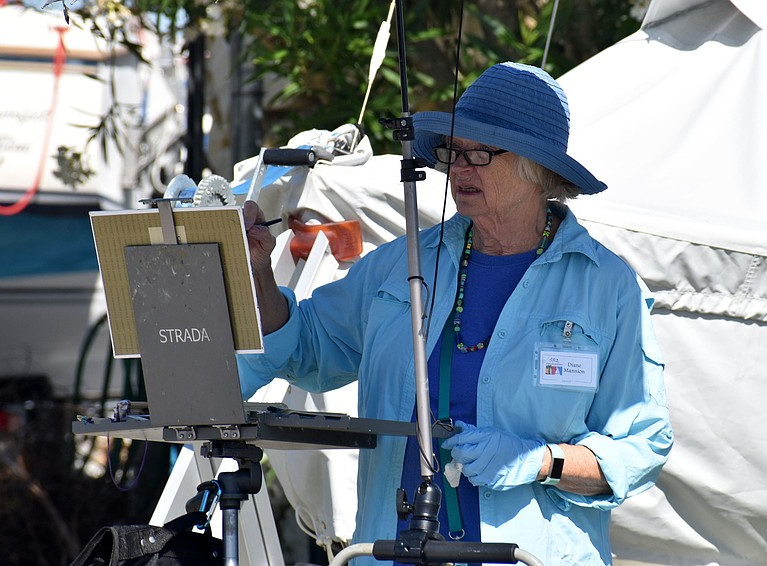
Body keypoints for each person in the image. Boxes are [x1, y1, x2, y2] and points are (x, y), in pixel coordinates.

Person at [238, 62, 673, 565]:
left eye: (480, 153)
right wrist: (258, 274)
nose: (459, 169)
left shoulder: (607, 287)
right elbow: (305, 347)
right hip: (391, 553)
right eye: (453, 151)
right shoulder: (404, 264)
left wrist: (541, 462)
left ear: (537, 168)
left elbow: (641, 447)